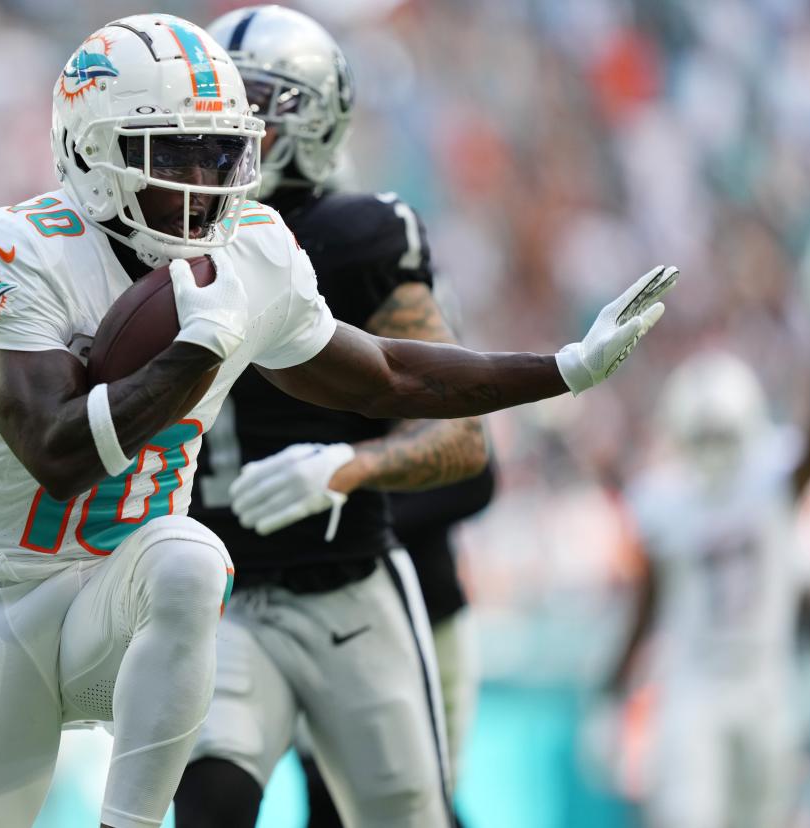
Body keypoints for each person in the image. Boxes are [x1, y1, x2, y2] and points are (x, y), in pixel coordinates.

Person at [0, 13, 677, 828]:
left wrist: (563, 368)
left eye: (223, 151)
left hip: (119, 596)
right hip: (0, 597)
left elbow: (387, 373)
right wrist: (200, 348)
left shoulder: (251, 250)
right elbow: (57, 453)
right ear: (97, 154)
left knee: (190, 560)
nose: (208, 181)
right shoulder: (17, 250)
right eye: (178, 154)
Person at [173, 8, 487, 827]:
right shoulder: (159, 239)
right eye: (215, 103)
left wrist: (345, 469)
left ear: (310, 118)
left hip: (351, 589)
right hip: (223, 596)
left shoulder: (357, 237)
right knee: (209, 802)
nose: (226, 127)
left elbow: (464, 440)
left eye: (253, 105)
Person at [606, 283, 810, 828]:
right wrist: (612, 691)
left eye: (722, 435)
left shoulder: (772, 479)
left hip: (765, 684)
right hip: (696, 687)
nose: (714, 450)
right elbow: (648, 604)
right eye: (703, 436)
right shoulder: (666, 501)